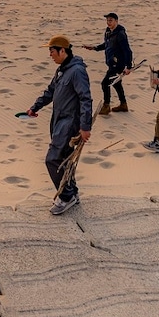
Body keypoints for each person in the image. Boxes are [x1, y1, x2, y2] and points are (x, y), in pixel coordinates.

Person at [24, 35, 93, 215]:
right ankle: (73, 193)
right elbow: (51, 91)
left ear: (63, 51)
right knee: (65, 160)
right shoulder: (63, 69)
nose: (50, 54)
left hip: (69, 123)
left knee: (52, 159)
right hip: (58, 120)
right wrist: (35, 107)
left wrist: (85, 127)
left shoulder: (77, 71)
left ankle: (66, 196)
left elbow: (86, 99)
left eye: (52, 51)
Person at [86, 12, 133, 114]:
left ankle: (106, 106)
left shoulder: (120, 34)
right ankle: (123, 104)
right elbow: (106, 45)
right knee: (116, 83)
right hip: (111, 63)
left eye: (110, 20)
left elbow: (127, 50)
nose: (108, 22)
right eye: (107, 20)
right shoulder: (108, 32)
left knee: (105, 83)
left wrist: (128, 66)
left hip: (118, 64)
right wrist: (95, 48)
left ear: (116, 21)